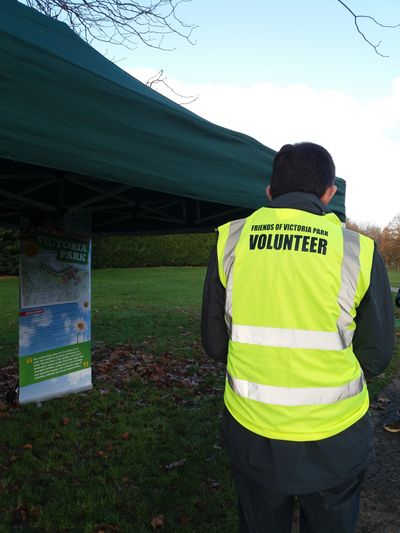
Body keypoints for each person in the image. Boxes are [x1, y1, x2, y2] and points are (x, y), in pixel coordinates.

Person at [201, 142, 394, 533]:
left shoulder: (230, 241)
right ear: (329, 193)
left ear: (270, 192)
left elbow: (215, 343)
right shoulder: (358, 250)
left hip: (252, 434)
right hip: (336, 441)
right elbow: (376, 356)